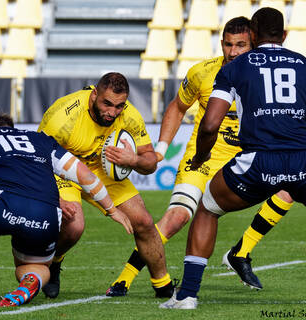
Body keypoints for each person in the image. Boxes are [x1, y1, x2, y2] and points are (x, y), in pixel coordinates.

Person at [106, 16, 293, 296]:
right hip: (201, 160)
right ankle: (124, 278)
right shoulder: (202, 73)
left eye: (241, 45)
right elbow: (177, 107)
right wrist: (160, 149)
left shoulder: (265, 77)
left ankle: (241, 252)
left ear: (253, 42)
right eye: (228, 45)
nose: (233, 52)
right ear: (221, 44)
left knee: (287, 188)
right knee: (178, 217)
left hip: (242, 161)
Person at [160, 7, 306, 309]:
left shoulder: (236, 67)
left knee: (208, 209)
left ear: (252, 36)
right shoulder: (304, 65)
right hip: (302, 161)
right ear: (286, 35)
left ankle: (187, 295)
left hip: (256, 163)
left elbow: (210, 123)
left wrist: (201, 156)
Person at [37, 72, 173, 299]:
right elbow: (37, 160)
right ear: (94, 95)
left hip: (102, 168)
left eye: (119, 106)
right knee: (74, 227)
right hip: (64, 169)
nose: (112, 112)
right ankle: (55, 261)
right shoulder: (62, 118)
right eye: (107, 103)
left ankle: (163, 286)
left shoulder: (129, 115)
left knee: (144, 222)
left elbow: (150, 163)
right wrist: (54, 198)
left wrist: (134, 160)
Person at [0, 114, 133, 307]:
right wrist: (112, 210)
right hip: (44, 213)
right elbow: (85, 175)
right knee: (33, 265)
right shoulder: (40, 140)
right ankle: (30, 282)